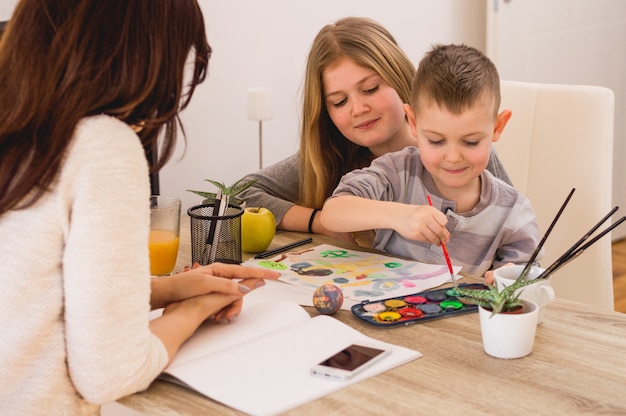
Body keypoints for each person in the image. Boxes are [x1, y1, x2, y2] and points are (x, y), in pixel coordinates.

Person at [0, 1, 278, 414]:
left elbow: (30, 294)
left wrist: (168, 289)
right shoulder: (100, 145)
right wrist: (195, 308)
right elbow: (110, 374)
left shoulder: (20, 131)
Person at [238, 17, 512, 242]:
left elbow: (513, 228)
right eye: (339, 101)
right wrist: (319, 221)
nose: (357, 109)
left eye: (370, 89)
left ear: (399, 77)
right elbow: (239, 193)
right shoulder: (334, 154)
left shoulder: (466, 152)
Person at [320, 44, 541, 277]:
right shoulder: (397, 172)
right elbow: (333, 212)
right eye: (436, 141)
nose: (453, 157)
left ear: (497, 127)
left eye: (471, 142)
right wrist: (401, 216)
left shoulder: (514, 211)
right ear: (413, 123)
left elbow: (528, 277)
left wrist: (509, 278)